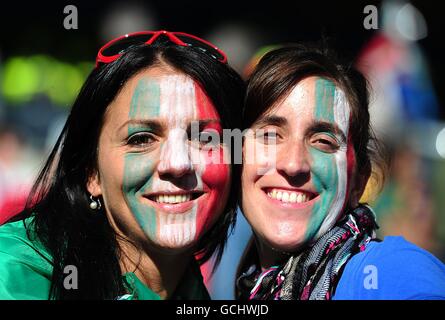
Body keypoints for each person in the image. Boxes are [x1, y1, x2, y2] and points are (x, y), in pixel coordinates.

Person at [0, 30, 245, 300]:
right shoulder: (12, 271)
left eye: (204, 138)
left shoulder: (192, 291)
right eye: (141, 139)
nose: (177, 163)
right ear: (90, 172)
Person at [236, 44, 445, 300]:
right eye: (270, 134)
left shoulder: (391, 271)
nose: (293, 164)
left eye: (323, 141)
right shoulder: (249, 285)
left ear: (359, 180)